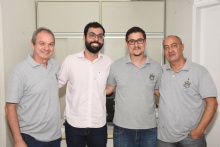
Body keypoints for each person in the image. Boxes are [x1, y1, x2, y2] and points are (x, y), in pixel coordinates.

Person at [157, 35, 218, 147]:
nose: (170, 50)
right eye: (166, 47)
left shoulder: (199, 72)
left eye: (174, 46)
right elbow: (153, 90)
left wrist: (199, 130)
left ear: (182, 47)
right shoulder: (160, 71)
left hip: (191, 139)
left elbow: (212, 104)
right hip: (164, 139)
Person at [58, 22, 112, 147]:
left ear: (103, 40)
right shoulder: (70, 61)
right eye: (92, 35)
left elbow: (109, 88)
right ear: (84, 37)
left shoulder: (108, 63)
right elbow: (55, 84)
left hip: (98, 125)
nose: (96, 39)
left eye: (100, 36)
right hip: (74, 125)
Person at [5, 27, 61, 147]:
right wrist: (18, 140)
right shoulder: (19, 71)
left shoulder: (55, 66)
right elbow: (9, 108)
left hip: (55, 138)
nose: (47, 48)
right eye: (42, 43)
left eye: (51, 44)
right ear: (32, 44)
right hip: (31, 138)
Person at [106, 26, 162, 147]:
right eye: (132, 41)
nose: (136, 45)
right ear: (127, 44)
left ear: (145, 42)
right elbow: (108, 89)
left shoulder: (157, 68)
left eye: (139, 40)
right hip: (122, 130)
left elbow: (159, 92)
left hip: (149, 129)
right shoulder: (116, 66)